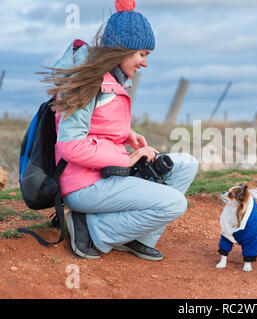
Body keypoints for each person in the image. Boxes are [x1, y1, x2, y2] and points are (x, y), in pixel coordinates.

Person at [41, 0, 199, 260]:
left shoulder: (112, 79)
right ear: (122, 50)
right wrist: (126, 158)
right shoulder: (86, 83)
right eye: (142, 54)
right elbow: (70, 145)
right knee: (175, 203)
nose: (145, 63)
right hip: (84, 185)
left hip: (105, 174)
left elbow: (95, 124)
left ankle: (134, 237)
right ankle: (94, 230)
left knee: (185, 164)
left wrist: (127, 135)